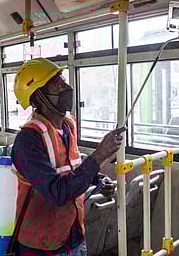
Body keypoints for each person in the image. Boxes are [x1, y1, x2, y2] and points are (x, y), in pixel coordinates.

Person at [11, 58, 124, 256]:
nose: (66, 88)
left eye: (63, 82)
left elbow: (71, 168)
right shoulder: (27, 142)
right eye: (58, 85)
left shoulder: (67, 127)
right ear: (39, 97)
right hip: (41, 246)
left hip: (74, 235)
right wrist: (99, 155)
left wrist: (97, 179)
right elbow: (58, 193)